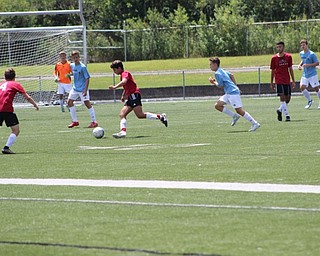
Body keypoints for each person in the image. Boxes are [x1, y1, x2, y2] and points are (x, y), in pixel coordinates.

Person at [109, 60, 168, 138]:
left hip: (134, 95)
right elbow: (126, 86)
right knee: (122, 114)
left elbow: (124, 82)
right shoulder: (122, 75)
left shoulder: (125, 73)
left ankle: (161, 117)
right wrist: (123, 95)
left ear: (119, 68)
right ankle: (122, 132)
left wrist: (114, 87)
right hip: (131, 96)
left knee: (140, 115)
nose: (114, 71)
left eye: (114, 69)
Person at [208, 57, 260, 132]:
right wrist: (235, 86)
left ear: (215, 64)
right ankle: (234, 116)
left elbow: (220, 85)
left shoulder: (217, 73)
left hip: (232, 93)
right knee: (217, 105)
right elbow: (231, 75)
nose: (210, 66)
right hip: (229, 93)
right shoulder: (221, 70)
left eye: (211, 64)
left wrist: (213, 82)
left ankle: (255, 123)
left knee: (239, 110)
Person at [0, 68, 39, 154]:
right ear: (14, 76)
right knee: (15, 130)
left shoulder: (1, 84)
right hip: (7, 109)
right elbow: (27, 97)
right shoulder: (15, 84)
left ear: (4, 77)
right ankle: (6, 148)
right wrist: (35, 104)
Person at [67, 50, 98, 128]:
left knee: (87, 104)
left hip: (82, 89)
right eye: (74, 58)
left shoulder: (83, 67)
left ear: (79, 57)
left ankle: (94, 122)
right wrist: (69, 75)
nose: (75, 59)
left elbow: (87, 78)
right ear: (72, 58)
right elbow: (73, 72)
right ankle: (75, 121)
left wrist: (85, 90)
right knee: (69, 102)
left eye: (77, 57)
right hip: (75, 88)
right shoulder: (72, 65)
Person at [270, 41, 296, 122]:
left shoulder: (288, 57)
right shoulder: (274, 58)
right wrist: (271, 82)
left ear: (283, 47)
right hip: (278, 80)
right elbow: (273, 70)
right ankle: (287, 116)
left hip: (287, 80)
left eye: (280, 47)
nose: (279, 48)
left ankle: (279, 110)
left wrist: (293, 80)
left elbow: (290, 69)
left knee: (287, 99)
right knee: (282, 97)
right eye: (277, 47)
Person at [298, 39, 320, 109]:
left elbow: (317, 63)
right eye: (301, 45)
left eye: (304, 45)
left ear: (307, 45)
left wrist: (308, 65)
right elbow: (303, 60)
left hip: (312, 74)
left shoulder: (311, 54)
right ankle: (309, 100)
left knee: (316, 88)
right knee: (302, 87)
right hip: (305, 74)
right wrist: (300, 65)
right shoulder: (301, 53)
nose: (302, 46)